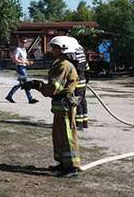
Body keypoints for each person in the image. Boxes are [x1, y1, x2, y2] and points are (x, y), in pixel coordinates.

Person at [25, 36, 81, 177]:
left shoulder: (63, 65)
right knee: (59, 136)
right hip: (59, 108)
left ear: (64, 49)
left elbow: (53, 89)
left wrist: (36, 85)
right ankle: (63, 164)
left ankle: (72, 167)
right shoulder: (60, 63)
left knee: (67, 137)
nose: (51, 49)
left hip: (65, 108)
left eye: (55, 47)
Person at [5, 40, 39, 104]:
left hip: (23, 68)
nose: (24, 43)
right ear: (20, 42)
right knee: (25, 84)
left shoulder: (24, 50)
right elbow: (15, 59)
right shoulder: (18, 49)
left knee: (21, 84)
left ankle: (9, 96)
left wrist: (28, 61)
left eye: (25, 42)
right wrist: (25, 62)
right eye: (23, 42)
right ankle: (30, 99)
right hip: (20, 68)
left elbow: (24, 59)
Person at [70, 43, 90, 129]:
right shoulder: (83, 59)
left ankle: (79, 124)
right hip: (83, 82)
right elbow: (87, 70)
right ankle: (85, 122)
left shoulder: (74, 61)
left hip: (77, 83)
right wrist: (86, 81)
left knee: (77, 102)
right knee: (83, 101)